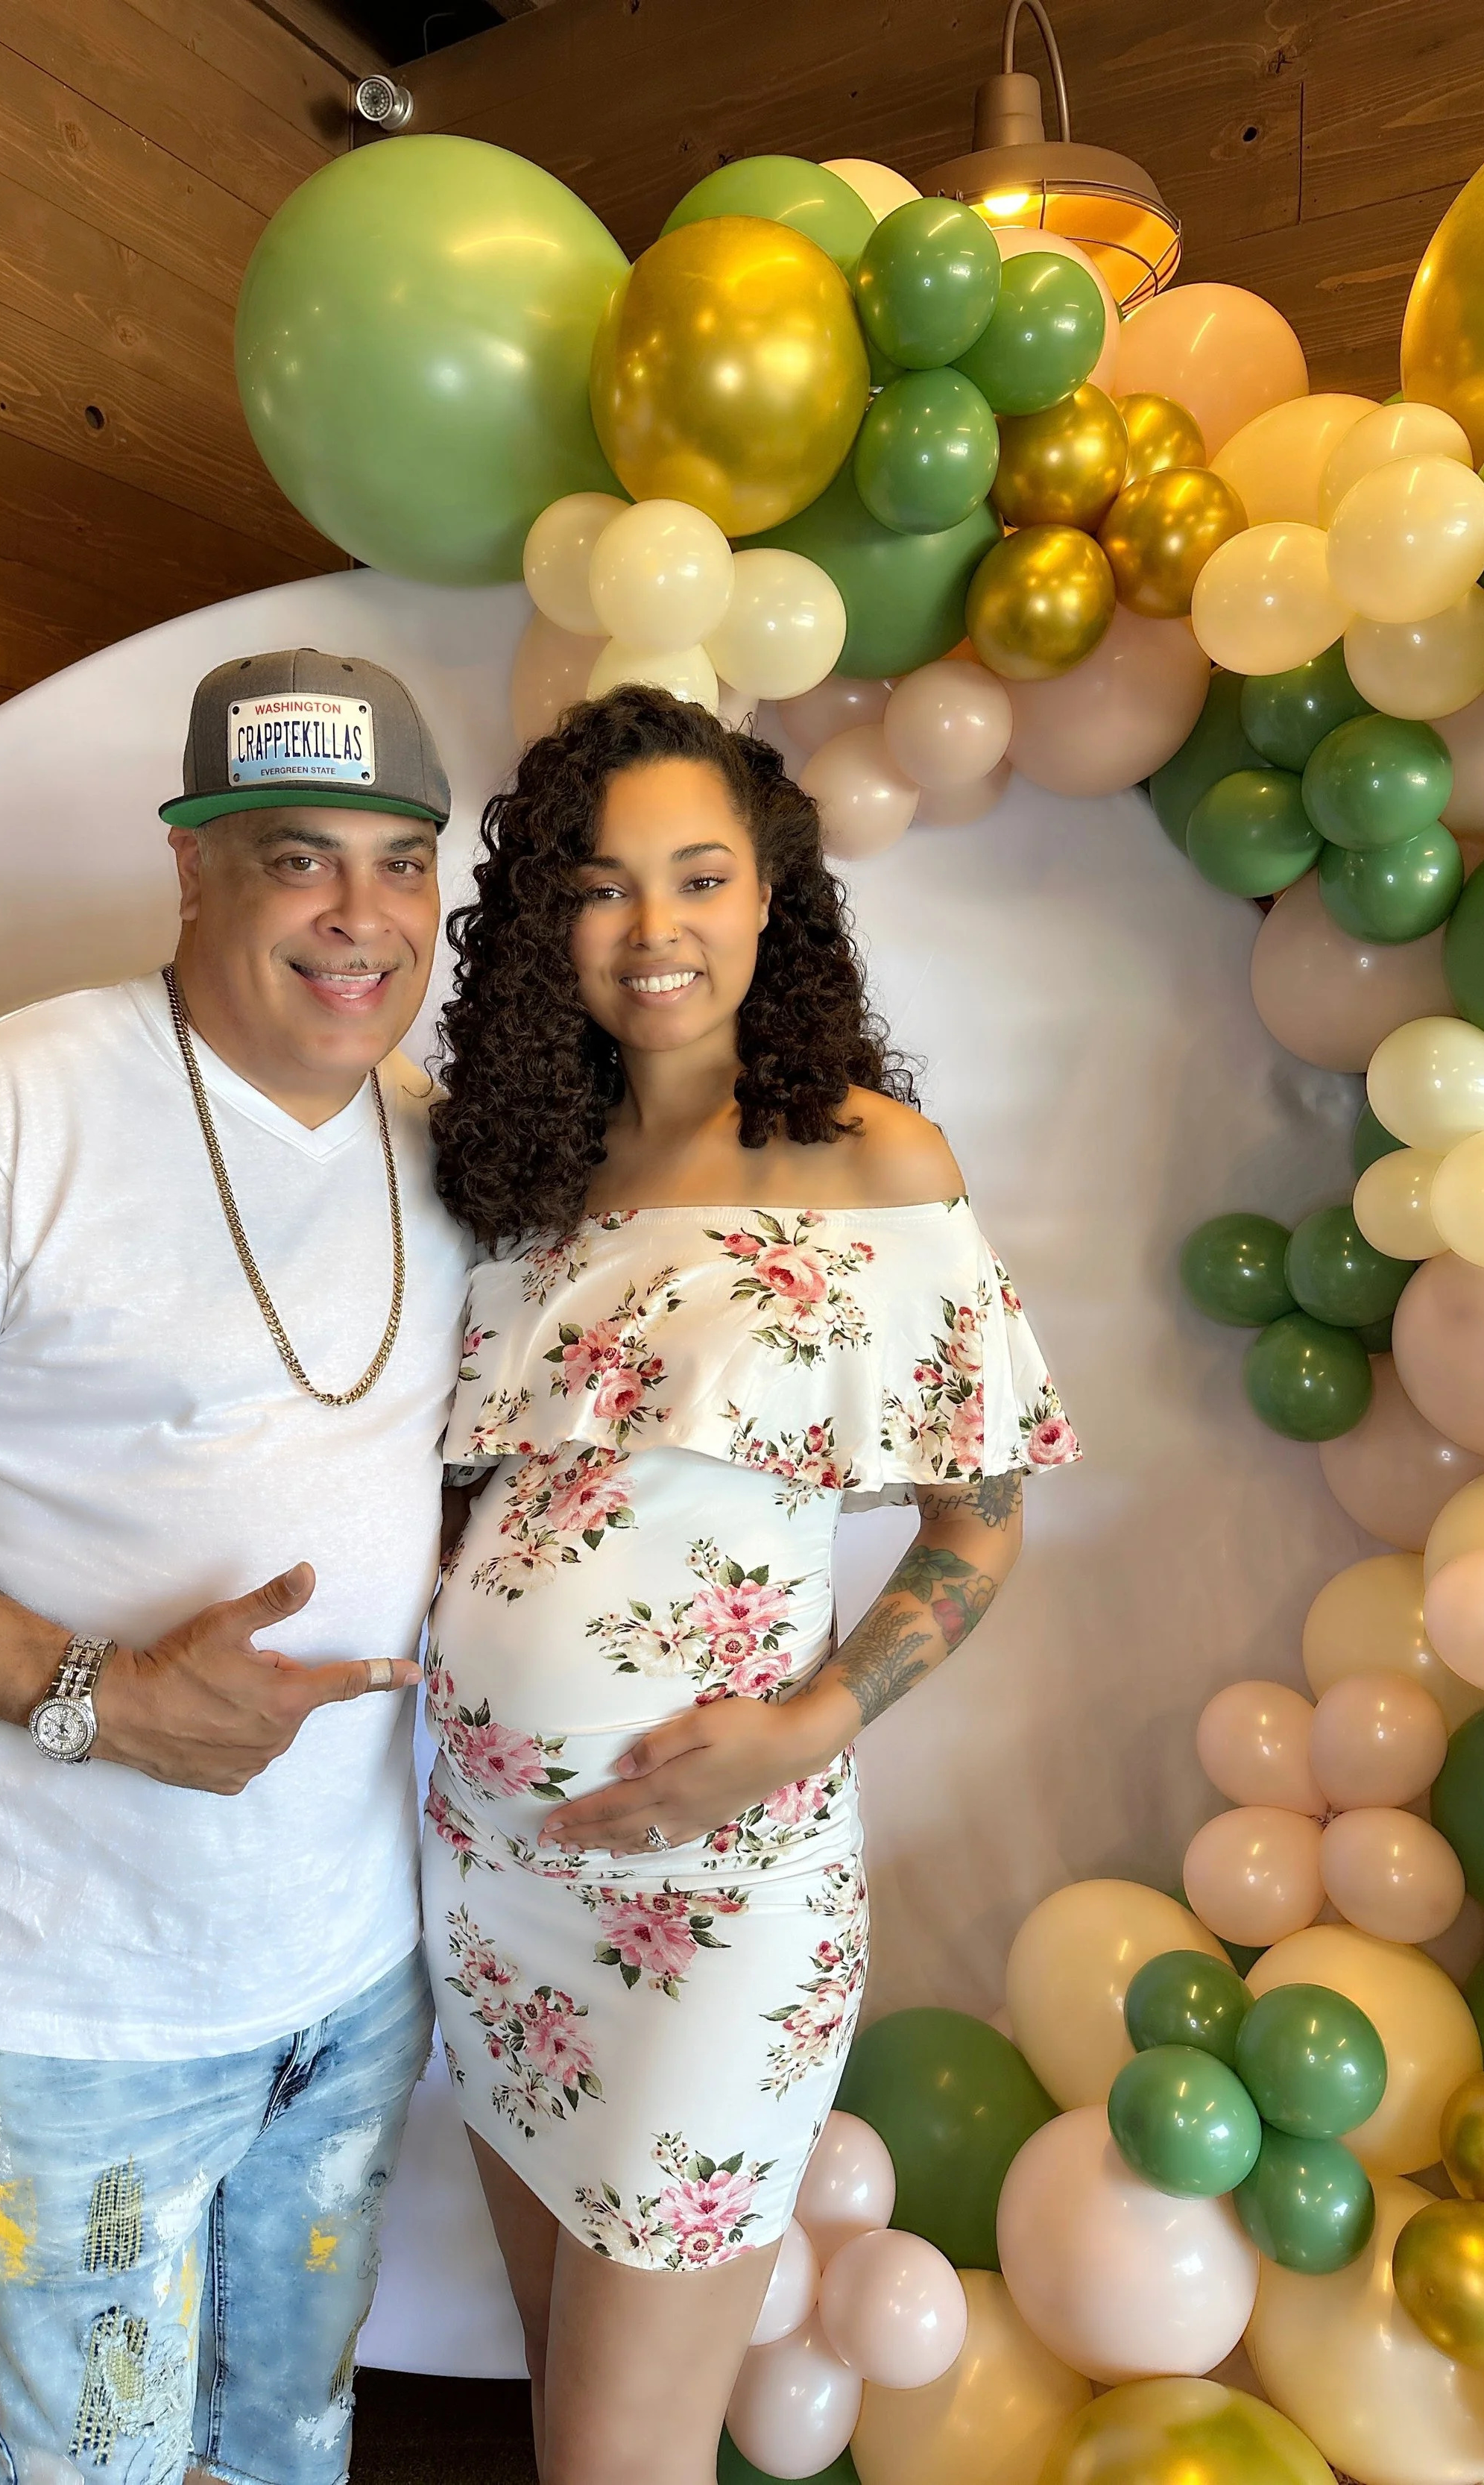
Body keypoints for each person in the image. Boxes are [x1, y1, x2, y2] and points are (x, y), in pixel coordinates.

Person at [0, 649, 473, 2485]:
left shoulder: (437, 1133)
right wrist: (106, 1696)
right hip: (96, 2004)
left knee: (290, 2436)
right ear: (192, 870)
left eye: (400, 861)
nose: (359, 915)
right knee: (97, 2464)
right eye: (298, 859)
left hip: (357, 1966)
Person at [423, 684, 1079, 2485]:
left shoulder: (874, 1165)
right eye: (603, 886)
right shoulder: (516, 1174)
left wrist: (797, 1728)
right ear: (546, 920)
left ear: (771, 897)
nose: (654, 931)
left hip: (717, 1895)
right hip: (487, 1880)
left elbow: (976, 1525)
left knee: (612, 2461)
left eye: (698, 877)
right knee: (572, 2414)